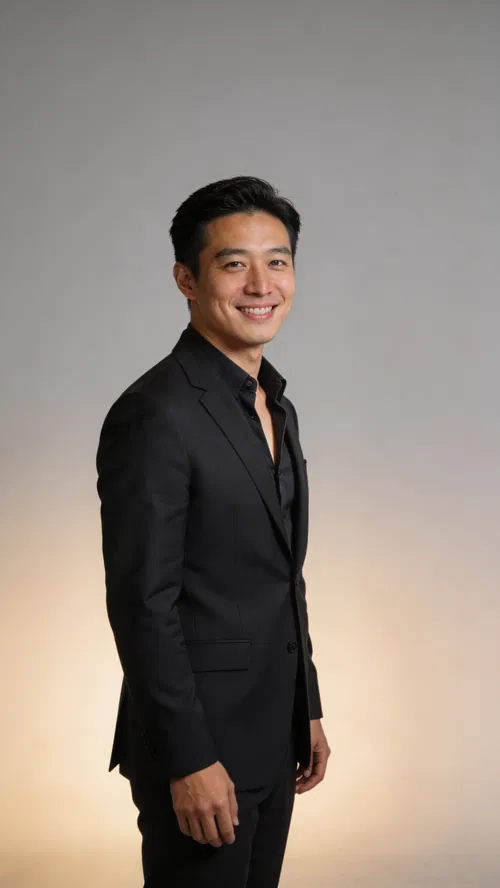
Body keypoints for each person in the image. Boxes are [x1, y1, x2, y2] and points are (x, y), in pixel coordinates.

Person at [96, 175, 330, 887]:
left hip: (272, 731)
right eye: (234, 264)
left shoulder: (274, 402)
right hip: (201, 748)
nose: (262, 283)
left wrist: (307, 706)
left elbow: (278, 575)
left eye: (278, 260)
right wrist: (188, 758)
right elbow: (143, 604)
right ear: (186, 279)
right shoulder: (155, 414)